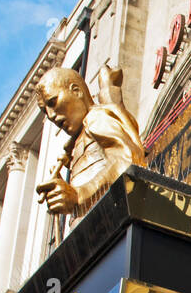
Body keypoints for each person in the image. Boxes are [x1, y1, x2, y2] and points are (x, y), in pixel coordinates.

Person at [33, 65, 146, 219]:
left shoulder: (96, 118)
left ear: (76, 91)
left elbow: (129, 159)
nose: (51, 115)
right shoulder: (75, 144)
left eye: (52, 102)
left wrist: (78, 194)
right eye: (45, 111)